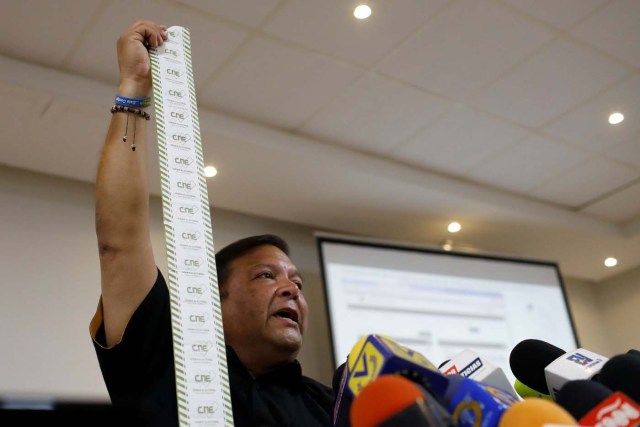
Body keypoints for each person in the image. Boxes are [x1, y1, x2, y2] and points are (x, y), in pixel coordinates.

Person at [89, 20, 334, 427]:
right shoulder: (164, 366)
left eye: (297, 283)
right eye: (266, 275)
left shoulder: (332, 406)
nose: (292, 288)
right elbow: (120, 242)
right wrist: (133, 86)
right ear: (212, 300)